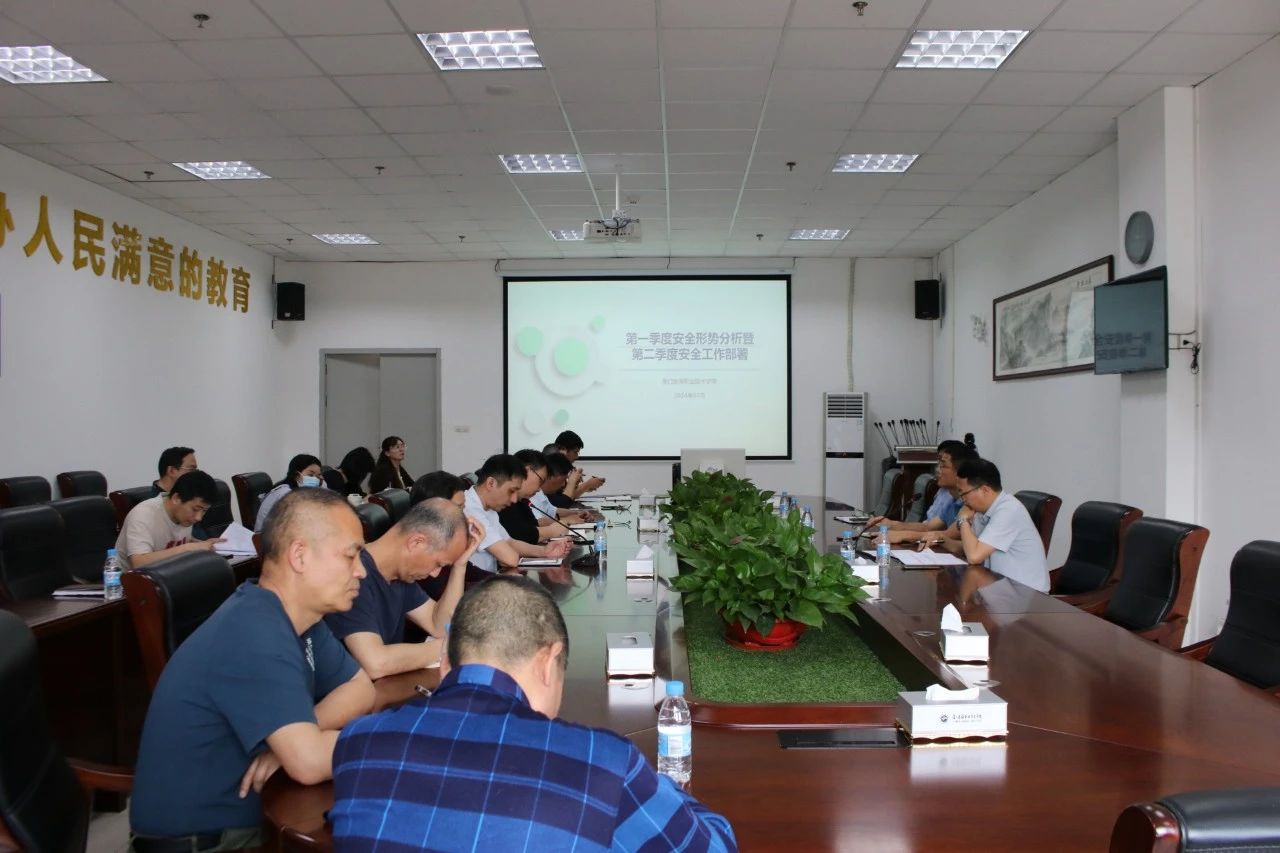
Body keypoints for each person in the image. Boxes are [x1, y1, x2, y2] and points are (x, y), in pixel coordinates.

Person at [330, 576, 738, 853]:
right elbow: (714, 846)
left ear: (445, 664)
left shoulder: (359, 742)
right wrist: (663, 790)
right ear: (548, 661)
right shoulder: (601, 762)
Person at [129, 488, 376, 852]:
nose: (361, 571)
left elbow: (361, 687)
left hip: (257, 816)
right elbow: (309, 763)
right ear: (299, 555)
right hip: (208, 842)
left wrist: (298, 737)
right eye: (351, 555)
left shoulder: (300, 618)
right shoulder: (254, 631)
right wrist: (401, 742)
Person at [325, 498, 482, 679]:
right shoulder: (354, 577)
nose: (435, 574)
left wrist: (460, 566)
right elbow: (375, 662)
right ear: (416, 543)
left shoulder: (399, 575)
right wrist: (453, 645)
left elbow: (439, 626)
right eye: (438, 564)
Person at [953, 458, 1049, 592]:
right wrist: (940, 540)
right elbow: (969, 548)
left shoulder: (1009, 510)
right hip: (1001, 588)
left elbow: (974, 556)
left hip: (1027, 596)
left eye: (963, 493)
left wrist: (963, 519)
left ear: (984, 490)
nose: (962, 499)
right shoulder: (982, 511)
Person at [463, 454, 570, 573]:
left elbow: (510, 542)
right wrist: (506, 555)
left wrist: (545, 551)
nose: (514, 500)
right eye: (511, 491)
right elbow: (510, 559)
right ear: (491, 483)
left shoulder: (489, 508)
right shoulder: (469, 508)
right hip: (475, 583)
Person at [866, 440, 977, 544]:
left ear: (960, 472)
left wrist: (902, 535)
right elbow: (928, 527)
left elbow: (945, 535)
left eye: (943, 466)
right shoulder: (951, 500)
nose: (937, 469)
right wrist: (891, 524)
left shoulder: (971, 504)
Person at [117, 470, 223, 568]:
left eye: (204, 511)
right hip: (130, 581)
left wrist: (204, 545)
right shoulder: (143, 514)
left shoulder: (183, 515)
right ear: (176, 498)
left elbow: (179, 540)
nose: (198, 517)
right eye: (195, 509)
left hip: (170, 574)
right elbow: (139, 563)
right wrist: (188, 548)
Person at [255, 454, 324, 533]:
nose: (316, 479)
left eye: (318, 476)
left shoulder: (295, 490)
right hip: (266, 537)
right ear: (297, 475)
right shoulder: (286, 493)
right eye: (311, 475)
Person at [550, 429, 606, 499]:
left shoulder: (561, 468)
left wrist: (585, 486)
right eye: (575, 452)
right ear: (563, 450)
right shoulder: (553, 470)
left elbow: (567, 496)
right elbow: (562, 500)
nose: (577, 457)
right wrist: (586, 485)